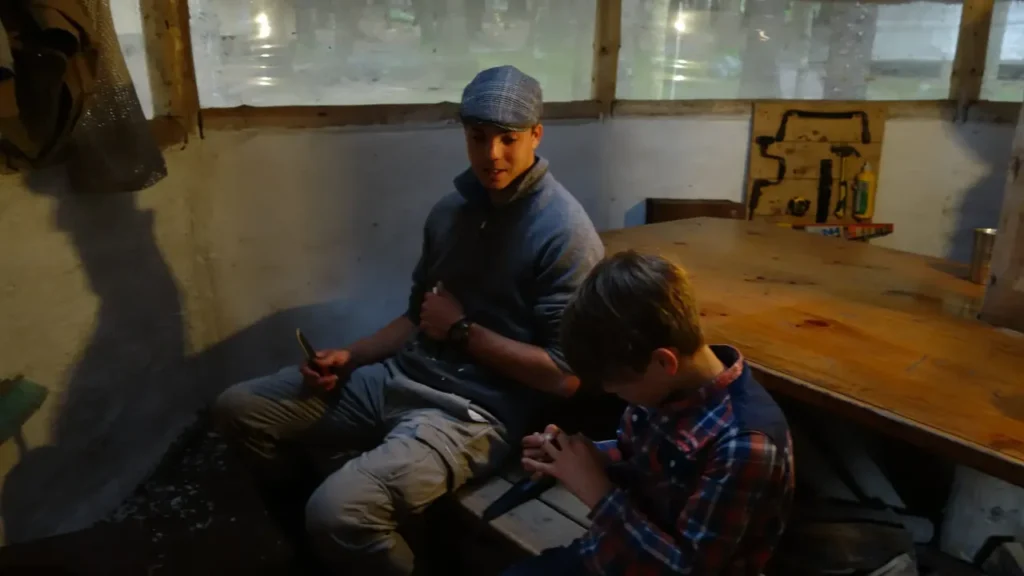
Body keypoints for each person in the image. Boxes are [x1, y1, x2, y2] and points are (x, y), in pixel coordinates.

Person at [213, 65, 604, 576]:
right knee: (240, 409)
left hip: (472, 414)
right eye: (478, 137)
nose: (492, 154)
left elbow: (565, 377)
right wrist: (351, 356)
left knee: (337, 513)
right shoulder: (451, 211)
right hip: (400, 378)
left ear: (536, 135)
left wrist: (462, 331)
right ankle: (321, 551)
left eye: (508, 139)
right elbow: (419, 317)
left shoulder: (564, 232)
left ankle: (344, 539)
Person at [504, 251, 795, 575]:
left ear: (663, 361)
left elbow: (687, 569)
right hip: (611, 552)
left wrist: (597, 491)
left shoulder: (744, 445)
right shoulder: (663, 387)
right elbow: (639, 457)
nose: (615, 395)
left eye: (618, 388)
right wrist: (581, 456)